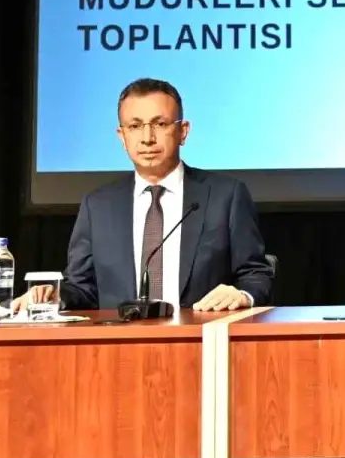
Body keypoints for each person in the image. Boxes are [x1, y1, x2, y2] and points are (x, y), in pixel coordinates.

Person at [16, 78, 273, 312]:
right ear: (122, 136)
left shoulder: (225, 196)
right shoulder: (98, 205)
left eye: (160, 124)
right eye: (135, 126)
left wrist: (242, 294)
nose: (147, 138)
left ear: (183, 131)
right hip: (120, 342)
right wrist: (56, 296)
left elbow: (256, 275)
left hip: (201, 337)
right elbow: (82, 288)